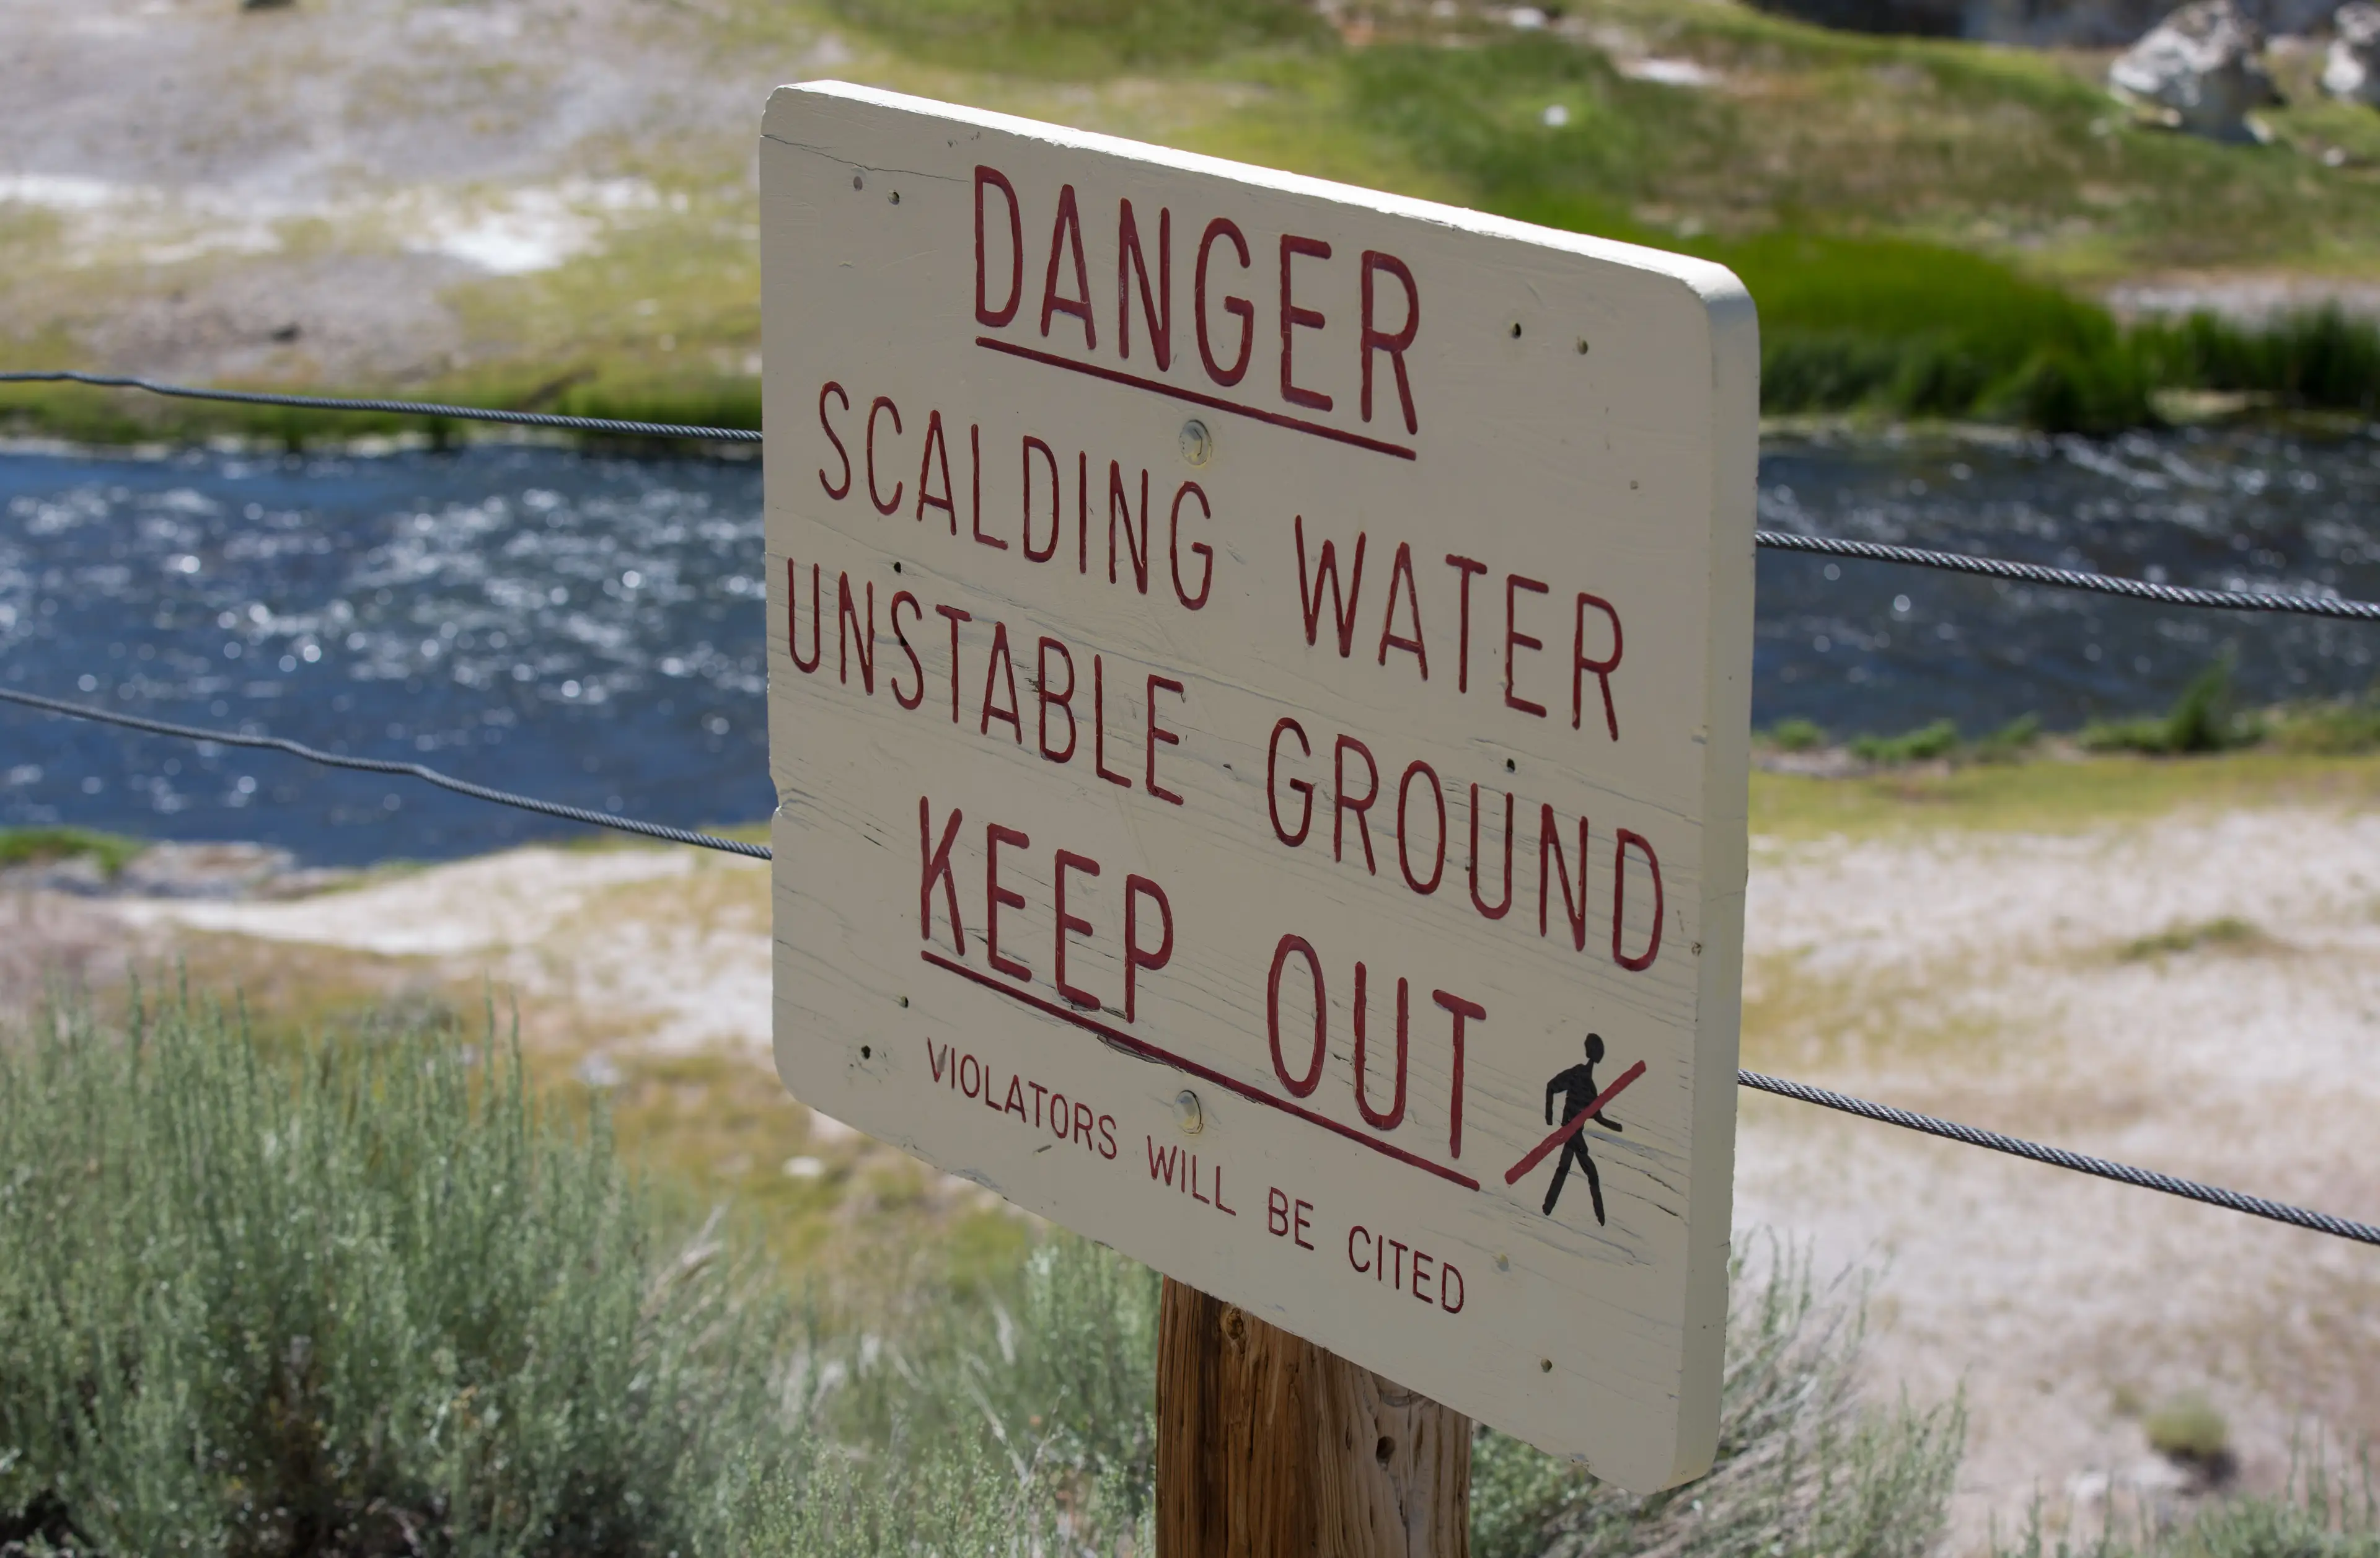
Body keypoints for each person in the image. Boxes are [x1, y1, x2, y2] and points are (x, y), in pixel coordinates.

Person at [1541, 1033, 1623, 1223]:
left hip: (1573, 1133)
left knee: (1565, 1168)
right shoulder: (1578, 1075)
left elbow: (1598, 1116)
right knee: (1589, 1172)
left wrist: (1617, 1127)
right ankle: (1600, 1217)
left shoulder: (1591, 1088)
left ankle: (1547, 1208)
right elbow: (1551, 1087)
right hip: (1571, 1131)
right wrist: (1549, 1117)